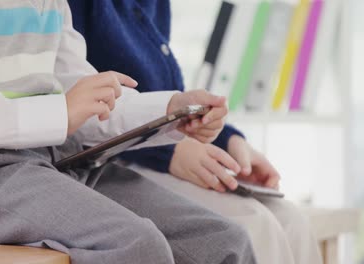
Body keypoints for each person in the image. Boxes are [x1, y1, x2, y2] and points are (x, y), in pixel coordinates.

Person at [0, 0, 257, 264]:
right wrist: (61, 111)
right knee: (136, 246)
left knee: (224, 241)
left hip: (56, 159)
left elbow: (78, 93)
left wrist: (170, 109)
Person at [68, 1, 323, 264]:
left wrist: (228, 141)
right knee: (255, 224)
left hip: (160, 145)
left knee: (292, 221)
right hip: (110, 159)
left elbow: (164, 91)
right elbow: (82, 109)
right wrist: (170, 152)